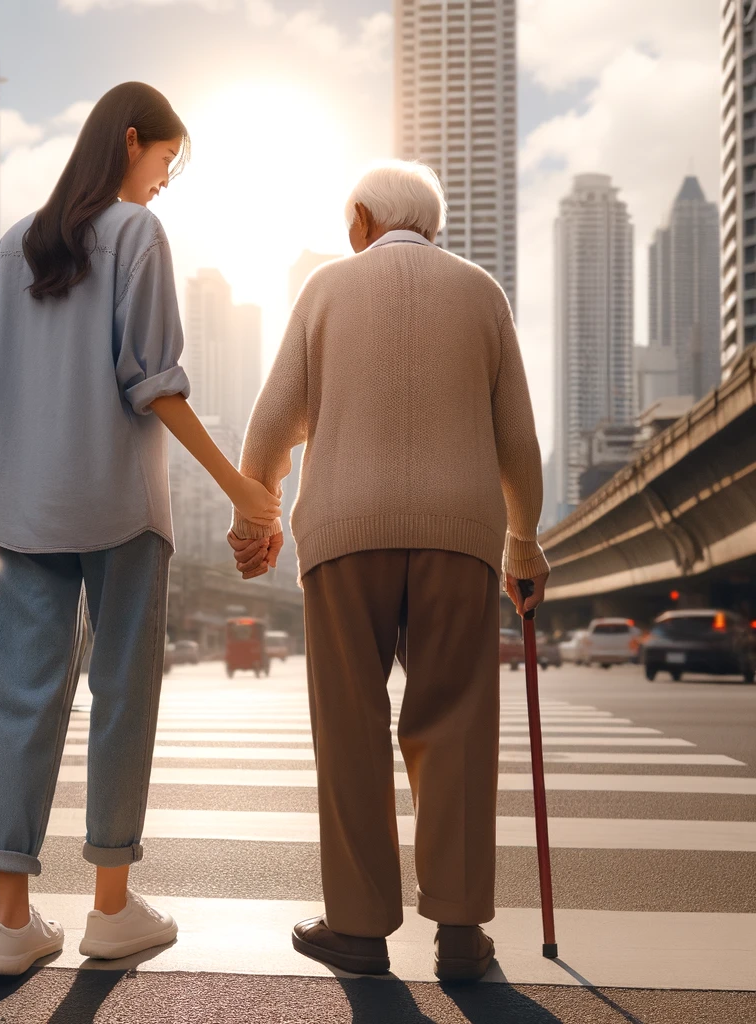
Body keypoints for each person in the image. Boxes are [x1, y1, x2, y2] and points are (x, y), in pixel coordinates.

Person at [0, 81, 280, 976]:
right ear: (133, 140)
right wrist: (243, 491)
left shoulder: (9, 247)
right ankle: (109, 907)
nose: (166, 183)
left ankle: (12, 922)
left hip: (27, 513)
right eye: (166, 162)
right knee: (122, 696)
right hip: (118, 507)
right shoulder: (136, 234)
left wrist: (1, 502)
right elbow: (156, 382)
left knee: (24, 703)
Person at [227, 160, 549, 982]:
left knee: (351, 727)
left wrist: (256, 519)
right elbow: (517, 442)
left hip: (343, 534)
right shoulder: (483, 295)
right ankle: (463, 933)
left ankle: (360, 928)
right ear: (431, 225)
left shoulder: (327, 291)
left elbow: (268, 432)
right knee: (457, 726)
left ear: (365, 218)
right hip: (460, 535)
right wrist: (523, 543)